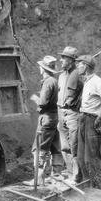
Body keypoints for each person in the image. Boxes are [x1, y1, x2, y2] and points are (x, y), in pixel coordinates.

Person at [76, 54, 101, 189]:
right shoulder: (87, 81)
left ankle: (98, 190)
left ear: (85, 66)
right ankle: (87, 188)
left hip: (92, 120)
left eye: (79, 64)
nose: (77, 66)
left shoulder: (97, 81)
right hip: (83, 119)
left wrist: (100, 115)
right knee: (81, 157)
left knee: (91, 158)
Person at [31, 55, 63, 184]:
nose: (39, 68)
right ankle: (57, 175)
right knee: (55, 146)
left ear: (43, 69)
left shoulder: (48, 82)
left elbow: (43, 102)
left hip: (47, 118)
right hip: (54, 117)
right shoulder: (54, 81)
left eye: (40, 67)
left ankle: (38, 180)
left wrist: (34, 98)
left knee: (39, 147)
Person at [56, 46, 83, 182]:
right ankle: (70, 173)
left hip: (73, 114)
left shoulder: (78, 75)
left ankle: (77, 176)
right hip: (62, 113)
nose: (61, 60)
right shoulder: (61, 76)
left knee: (75, 146)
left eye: (64, 58)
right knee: (65, 147)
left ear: (72, 61)